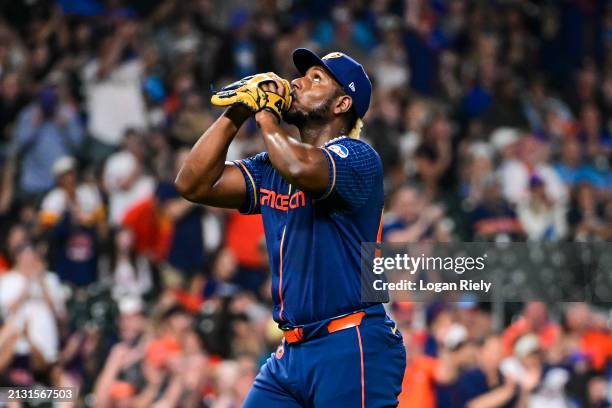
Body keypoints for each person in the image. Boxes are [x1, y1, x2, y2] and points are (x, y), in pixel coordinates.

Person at [176, 49, 406, 406]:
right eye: (302, 75)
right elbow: (192, 184)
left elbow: (301, 168)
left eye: (316, 79)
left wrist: (266, 115)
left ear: (342, 103)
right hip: (292, 354)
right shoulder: (272, 166)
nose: (297, 82)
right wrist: (237, 112)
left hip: (351, 341)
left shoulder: (360, 158)